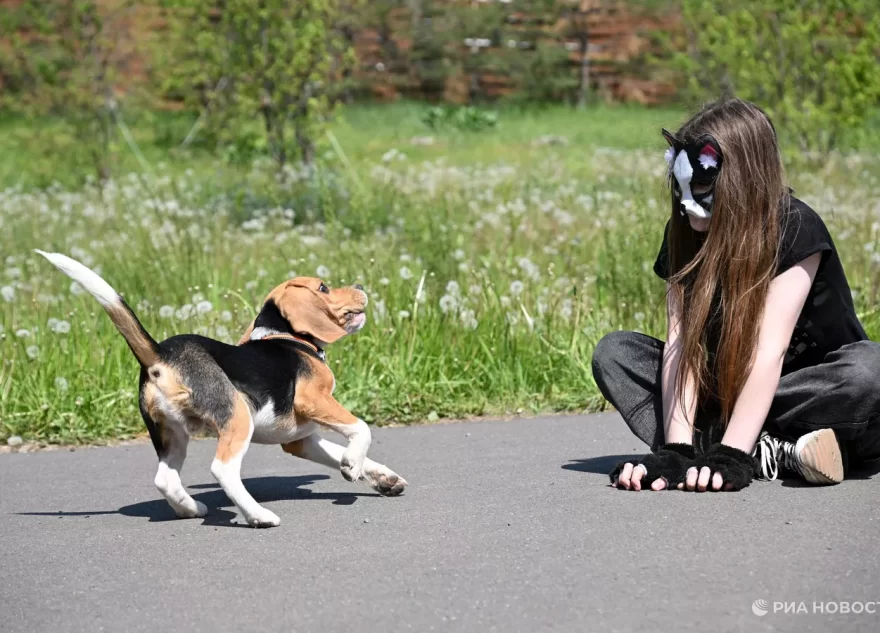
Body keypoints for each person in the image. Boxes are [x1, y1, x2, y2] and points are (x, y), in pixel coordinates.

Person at [590, 97, 880, 492]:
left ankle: (742, 446)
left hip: (811, 396)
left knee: (869, 369)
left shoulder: (795, 227)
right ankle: (775, 452)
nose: (687, 203)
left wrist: (731, 457)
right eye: (680, 187)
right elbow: (682, 346)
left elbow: (768, 351)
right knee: (616, 354)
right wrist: (675, 451)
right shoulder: (685, 233)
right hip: (728, 391)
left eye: (703, 186)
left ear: (744, 179)